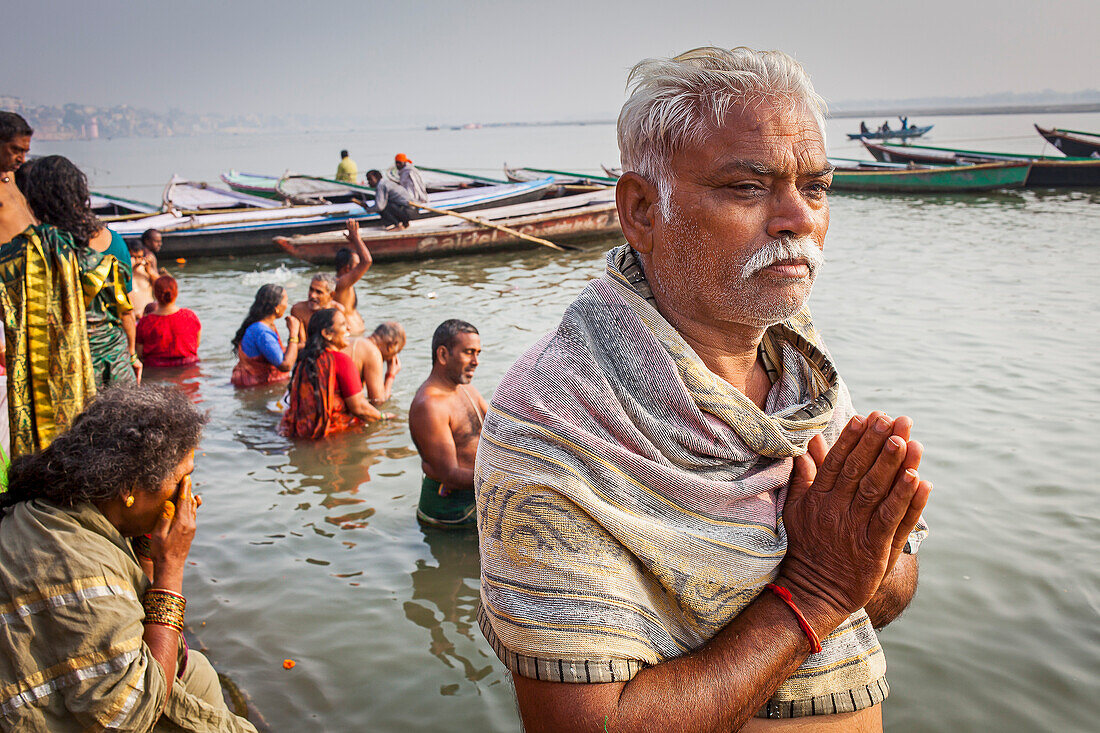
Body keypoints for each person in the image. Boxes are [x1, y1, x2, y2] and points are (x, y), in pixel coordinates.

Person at [474, 47, 931, 732]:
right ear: (641, 209)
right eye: (748, 188)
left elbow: (885, 586)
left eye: (815, 186)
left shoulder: (802, 364)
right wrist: (811, 590)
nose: (796, 218)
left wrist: (861, 555)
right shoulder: (554, 421)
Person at [0, 384, 257, 731]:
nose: (188, 496)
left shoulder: (64, 506)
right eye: (182, 481)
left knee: (196, 670)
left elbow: (132, 623)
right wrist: (171, 569)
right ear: (129, 490)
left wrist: (148, 549)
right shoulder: (76, 562)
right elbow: (129, 714)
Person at [0, 114, 96, 459]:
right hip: (13, 279)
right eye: (14, 149)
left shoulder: (12, 180)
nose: (21, 157)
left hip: (32, 271)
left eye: (25, 150)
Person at [17, 156, 141, 388]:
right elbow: (126, 310)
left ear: (33, 200)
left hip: (57, 372)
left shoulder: (28, 249)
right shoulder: (112, 242)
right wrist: (132, 355)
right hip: (112, 365)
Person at [409, 319, 487, 529]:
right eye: (468, 352)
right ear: (443, 355)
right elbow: (450, 475)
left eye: (478, 353)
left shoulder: (464, 387)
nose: (476, 361)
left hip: (477, 496)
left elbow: (496, 426)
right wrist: (505, 478)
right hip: (450, 514)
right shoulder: (430, 406)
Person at [279, 308, 387, 439]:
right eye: (342, 324)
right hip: (332, 436)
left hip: (297, 431)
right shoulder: (341, 361)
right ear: (327, 334)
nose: (348, 328)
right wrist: (384, 417)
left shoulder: (304, 359)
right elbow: (359, 407)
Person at [230, 284, 302, 388]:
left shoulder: (262, 326)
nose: (287, 305)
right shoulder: (262, 332)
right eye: (286, 301)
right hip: (256, 388)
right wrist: (293, 333)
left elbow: (274, 352)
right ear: (276, 308)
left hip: (252, 384)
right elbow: (286, 365)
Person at [136, 275, 201, 367]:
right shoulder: (190, 316)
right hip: (189, 367)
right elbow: (196, 344)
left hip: (156, 370)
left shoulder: (145, 322)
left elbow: (140, 353)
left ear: (155, 294)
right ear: (176, 293)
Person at [345, 320, 405, 404]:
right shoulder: (373, 352)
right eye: (396, 352)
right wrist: (390, 375)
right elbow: (378, 402)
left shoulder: (358, 341)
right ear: (391, 346)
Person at [333, 220, 373, 336]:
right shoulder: (340, 284)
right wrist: (356, 237)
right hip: (350, 338)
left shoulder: (347, 284)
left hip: (357, 335)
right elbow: (367, 261)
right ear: (346, 268)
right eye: (356, 266)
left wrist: (354, 242)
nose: (359, 270)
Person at [128, 238, 156, 316]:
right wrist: (130, 269)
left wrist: (150, 272)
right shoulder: (123, 271)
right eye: (133, 257)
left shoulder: (146, 269)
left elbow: (161, 288)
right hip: (132, 317)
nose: (137, 261)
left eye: (139, 257)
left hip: (148, 316)